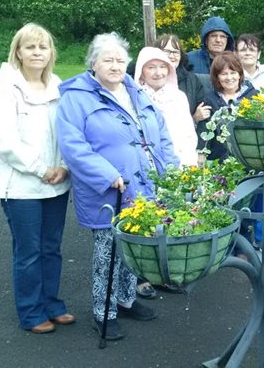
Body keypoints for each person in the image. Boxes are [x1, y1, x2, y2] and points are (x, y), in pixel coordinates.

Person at [57, 32, 179, 341]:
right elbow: (73, 145)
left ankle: (125, 299)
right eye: (108, 59)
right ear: (93, 63)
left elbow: (160, 136)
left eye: (120, 60)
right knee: (108, 250)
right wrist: (106, 173)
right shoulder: (77, 97)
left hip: (145, 185)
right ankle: (103, 311)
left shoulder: (136, 92)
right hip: (110, 188)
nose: (115, 65)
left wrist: (171, 172)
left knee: (133, 246)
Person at [0, 23, 74, 334]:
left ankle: (52, 304)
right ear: (18, 52)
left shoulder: (59, 87)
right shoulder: (4, 91)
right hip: (22, 187)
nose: (37, 52)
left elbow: (69, 131)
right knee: (29, 251)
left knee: (51, 247)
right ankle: (31, 312)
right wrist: (41, 169)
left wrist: (63, 165)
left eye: (43, 47)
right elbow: (4, 142)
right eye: (30, 47)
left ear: (51, 53)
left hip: (57, 184)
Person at [154, 34, 215, 165]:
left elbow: (205, 117)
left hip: (186, 150)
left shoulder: (191, 81)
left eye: (176, 52)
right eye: (167, 51)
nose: (171, 56)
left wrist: (201, 150)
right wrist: (193, 118)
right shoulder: (149, 81)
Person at [134, 47, 198, 167]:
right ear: (141, 71)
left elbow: (188, 133)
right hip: (147, 164)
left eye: (163, 67)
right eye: (151, 67)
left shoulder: (178, 96)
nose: (158, 73)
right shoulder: (134, 98)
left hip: (180, 163)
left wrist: (189, 162)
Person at [199, 52, 259, 162]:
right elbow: (204, 128)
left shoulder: (254, 96)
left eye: (233, 73)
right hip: (218, 159)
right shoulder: (209, 99)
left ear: (240, 74)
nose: (229, 78)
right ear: (217, 77)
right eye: (223, 74)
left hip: (249, 158)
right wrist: (201, 153)